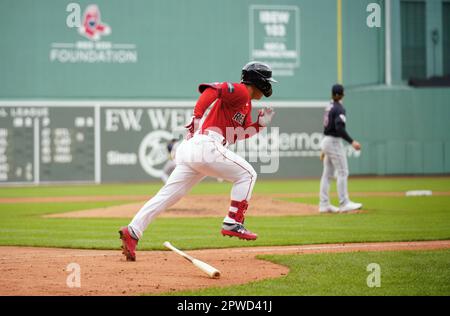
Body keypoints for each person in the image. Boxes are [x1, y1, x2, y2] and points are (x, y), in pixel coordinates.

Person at [119, 61, 277, 261]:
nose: (269, 86)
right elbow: (211, 90)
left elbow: (237, 134)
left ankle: (133, 231)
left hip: (195, 150)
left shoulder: (246, 104)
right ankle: (233, 222)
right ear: (259, 81)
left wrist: (259, 125)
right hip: (205, 145)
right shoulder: (240, 91)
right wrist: (197, 116)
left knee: (168, 196)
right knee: (248, 174)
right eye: (267, 81)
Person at [319, 84, 362, 213]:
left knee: (327, 175)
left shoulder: (329, 106)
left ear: (332, 94)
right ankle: (344, 203)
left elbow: (328, 126)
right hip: (333, 141)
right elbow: (339, 127)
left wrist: (323, 148)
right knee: (343, 172)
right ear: (342, 94)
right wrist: (352, 142)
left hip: (326, 140)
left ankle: (324, 204)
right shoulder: (339, 108)